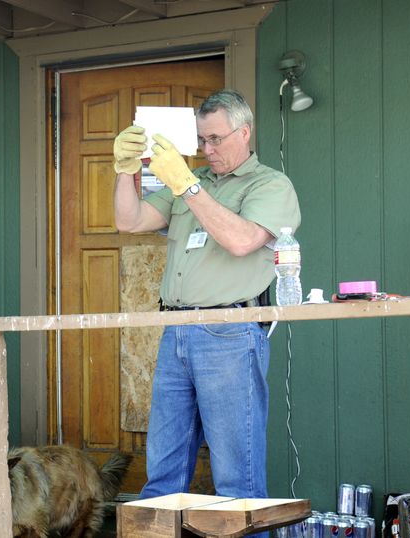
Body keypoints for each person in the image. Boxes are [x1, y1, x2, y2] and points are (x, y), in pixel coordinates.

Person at [112, 90, 301, 504]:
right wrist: (125, 170)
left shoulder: (270, 184)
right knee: (162, 475)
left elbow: (241, 240)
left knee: (238, 480)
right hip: (175, 329)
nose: (207, 149)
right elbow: (130, 220)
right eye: (201, 140)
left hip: (229, 332)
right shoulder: (198, 180)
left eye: (216, 139)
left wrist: (187, 185)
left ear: (245, 132)